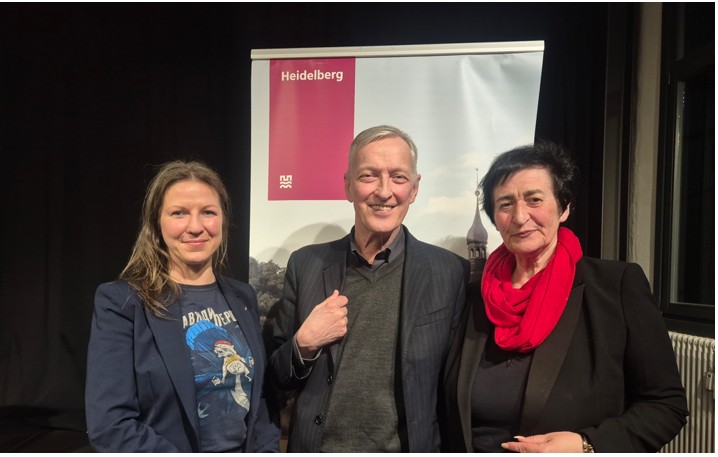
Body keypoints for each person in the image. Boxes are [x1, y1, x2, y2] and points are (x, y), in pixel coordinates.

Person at [442, 141, 688, 452]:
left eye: (534, 199)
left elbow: (666, 405)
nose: (520, 216)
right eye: (505, 204)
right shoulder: (476, 295)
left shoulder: (615, 287)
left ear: (564, 207)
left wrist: (587, 444)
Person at [269, 125, 469, 452]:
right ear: (348, 185)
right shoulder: (305, 265)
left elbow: (455, 390)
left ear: (415, 188)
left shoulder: (450, 272)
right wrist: (304, 344)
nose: (384, 191)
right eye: (368, 176)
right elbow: (277, 378)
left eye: (398, 177)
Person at [85, 160, 280, 452]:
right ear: (157, 223)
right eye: (179, 213)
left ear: (222, 220)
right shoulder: (122, 302)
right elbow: (110, 425)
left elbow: (260, 399)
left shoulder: (243, 297)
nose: (196, 227)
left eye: (208, 212)